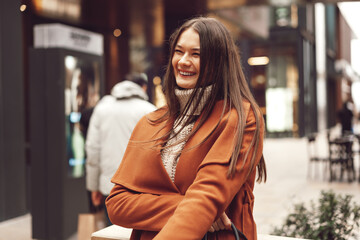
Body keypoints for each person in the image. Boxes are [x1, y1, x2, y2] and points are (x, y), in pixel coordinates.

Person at [106, 17, 266, 240]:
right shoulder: (151, 122)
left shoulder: (240, 118)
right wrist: (189, 206)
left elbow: (207, 196)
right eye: (178, 51)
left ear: (219, 62)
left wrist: (196, 207)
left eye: (196, 54)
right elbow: (117, 204)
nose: (183, 61)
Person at [85, 73, 157, 225]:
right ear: (143, 87)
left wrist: (93, 186)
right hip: (140, 188)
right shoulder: (150, 110)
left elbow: (93, 149)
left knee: (112, 231)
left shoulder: (102, 109)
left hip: (109, 186)